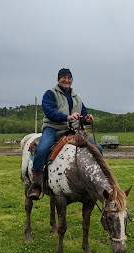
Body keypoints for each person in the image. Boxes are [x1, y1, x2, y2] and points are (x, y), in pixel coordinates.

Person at [28, 68, 103, 199]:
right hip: (53, 128)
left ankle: (96, 180)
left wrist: (87, 118)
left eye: (69, 78)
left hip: (74, 130)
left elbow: (83, 114)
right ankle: (36, 183)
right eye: (64, 77)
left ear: (72, 80)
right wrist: (67, 117)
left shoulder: (76, 98)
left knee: (98, 148)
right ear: (58, 79)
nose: (66, 80)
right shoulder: (50, 94)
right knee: (43, 149)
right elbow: (50, 112)